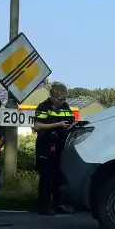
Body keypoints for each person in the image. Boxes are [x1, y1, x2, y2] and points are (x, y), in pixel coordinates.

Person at [32, 82, 75, 215]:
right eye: (59, 99)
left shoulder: (65, 107)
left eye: (64, 99)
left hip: (60, 145)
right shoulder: (43, 107)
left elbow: (69, 119)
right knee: (46, 176)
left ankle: (59, 204)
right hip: (45, 145)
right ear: (52, 95)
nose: (61, 102)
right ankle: (43, 206)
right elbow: (37, 126)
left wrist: (70, 124)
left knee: (58, 177)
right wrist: (57, 124)